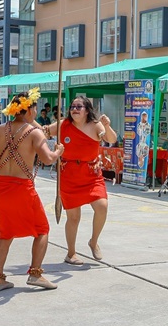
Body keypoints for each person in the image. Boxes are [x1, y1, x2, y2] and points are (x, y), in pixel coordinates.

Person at [0, 89, 64, 292]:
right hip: (22, 188)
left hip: (0, 187)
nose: (36, 111)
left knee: (5, 234)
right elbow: (47, 158)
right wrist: (58, 151)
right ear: (30, 110)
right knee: (42, 229)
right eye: (34, 107)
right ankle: (35, 273)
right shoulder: (33, 133)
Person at [45, 97, 118, 264]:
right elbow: (44, 131)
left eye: (79, 106)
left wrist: (107, 125)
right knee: (74, 217)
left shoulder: (95, 125)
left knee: (102, 206)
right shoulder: (63, 124)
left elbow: (111, 139)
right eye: (72, 106)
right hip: (69, 175)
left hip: (91, 174)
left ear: (87, 110)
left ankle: (93, 241)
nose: (75, 109)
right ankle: (71, 254)